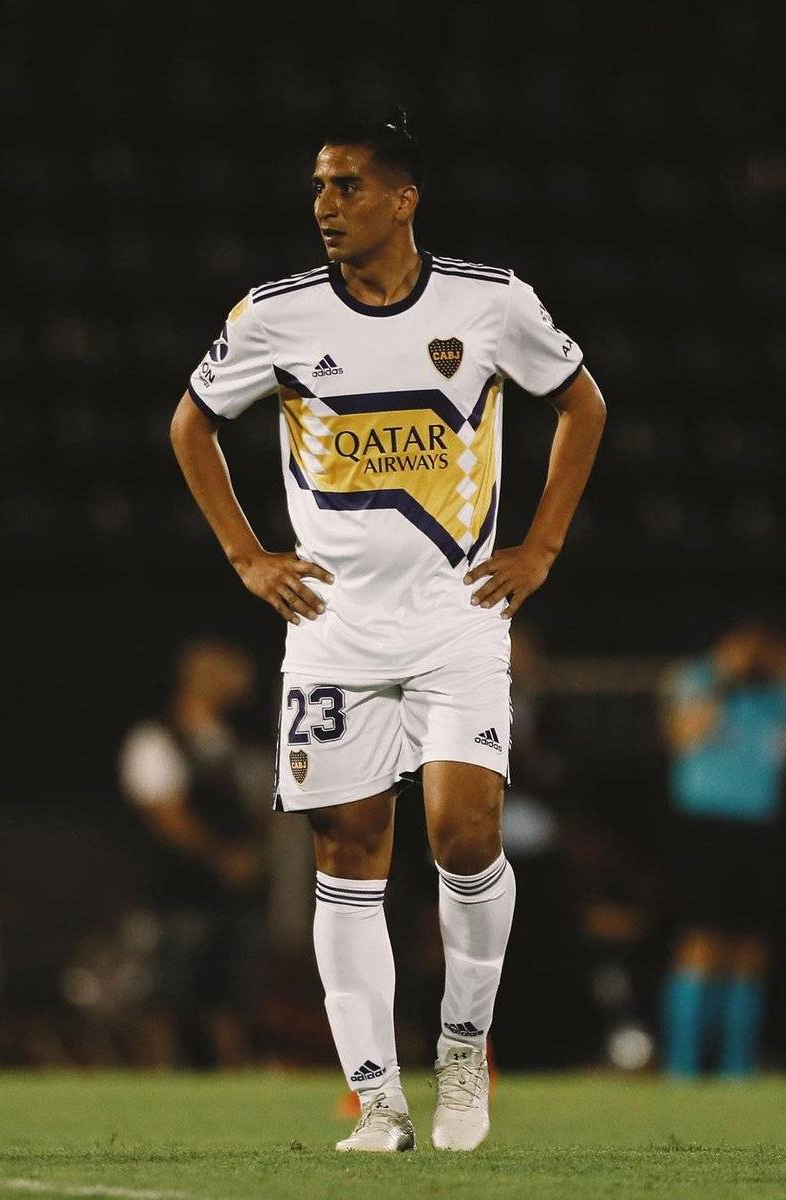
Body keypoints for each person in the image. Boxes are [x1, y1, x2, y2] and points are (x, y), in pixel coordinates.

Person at [170, 109, 606, 1150]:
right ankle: (376, 1098)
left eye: (348, 185)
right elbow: (191, 424)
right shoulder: (275, 314)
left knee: (467, 834)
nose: (326, 204)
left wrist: (542, 546)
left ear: (403, 198)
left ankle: (462, 1050)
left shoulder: (489, 302)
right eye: (319, 186)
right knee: (349, 854)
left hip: (459, 618)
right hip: (331, 628)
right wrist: (247, 556)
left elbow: (582, 405)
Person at [659, 620, 786, 1077]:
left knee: (751, 948)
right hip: (706, 829)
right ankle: (683, 1065)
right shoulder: (695, 678)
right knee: (702, 942)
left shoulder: (782, 692)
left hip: (760, 832)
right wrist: (726, 679)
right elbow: (683, 737)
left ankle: (736, 1068)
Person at [118, 639, 266, 1066]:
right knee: (165, 994)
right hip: (175, 893)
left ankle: (235, 1082)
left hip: (232, 897)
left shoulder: (231, 743)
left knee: (231, 995)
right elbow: (167, 817)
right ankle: (157, 1082)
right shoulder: (156, 739)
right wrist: (224, 857)